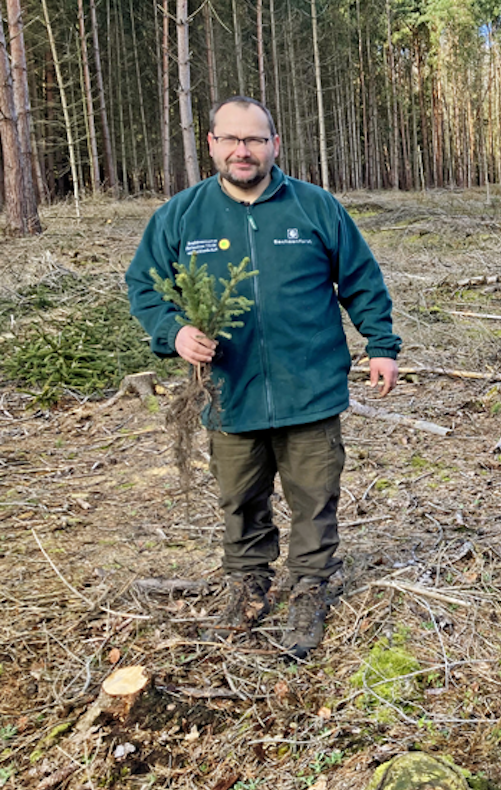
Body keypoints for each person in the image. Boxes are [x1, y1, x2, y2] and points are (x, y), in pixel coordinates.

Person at [126, 96, 400, 660]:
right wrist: (173, 332)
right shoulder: (182, 215)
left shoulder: (315, 207)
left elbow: (361, 280)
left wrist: (382, 345)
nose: (242, 150)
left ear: (274, 144)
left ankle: (307, 588)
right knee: (239, 497)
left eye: (254, 139)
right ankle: (247, 587)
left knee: (313, 496)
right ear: (212, 145)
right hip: (229, 390)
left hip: (310, 388)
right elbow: (145, 285)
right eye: (230, 139)